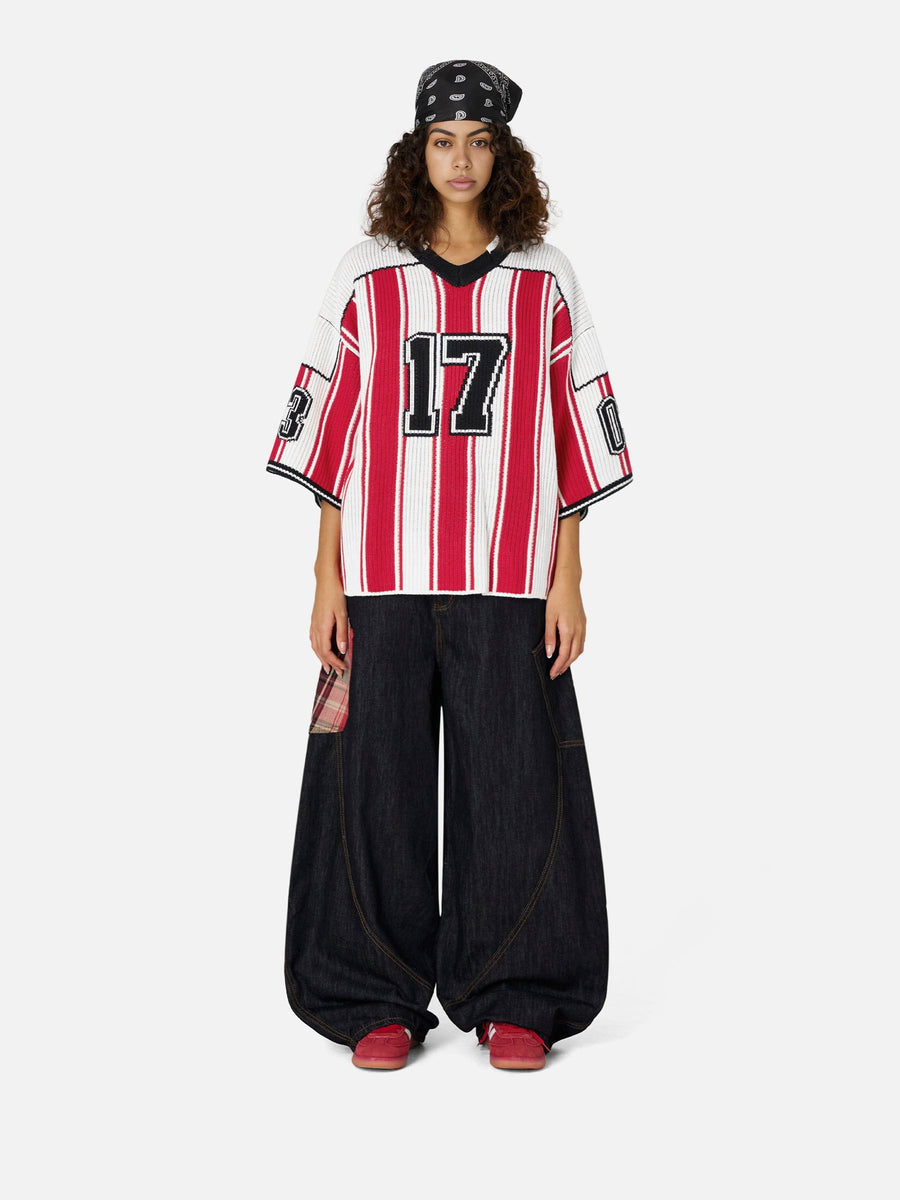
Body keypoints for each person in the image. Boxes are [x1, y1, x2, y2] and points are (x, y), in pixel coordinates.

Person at [266, 59, 634, 1071]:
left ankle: (517, 991)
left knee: (514, 783)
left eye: (478, 141)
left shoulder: (544, 276)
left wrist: (569, 577)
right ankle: (371, 994)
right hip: (382, 573)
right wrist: (325, 577)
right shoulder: (367, 271)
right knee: (372, 784)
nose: (460, 160)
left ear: (501, 154)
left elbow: (573, 426)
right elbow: (332, 428)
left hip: (511, 575)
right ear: (416, 151)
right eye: (442, 140)